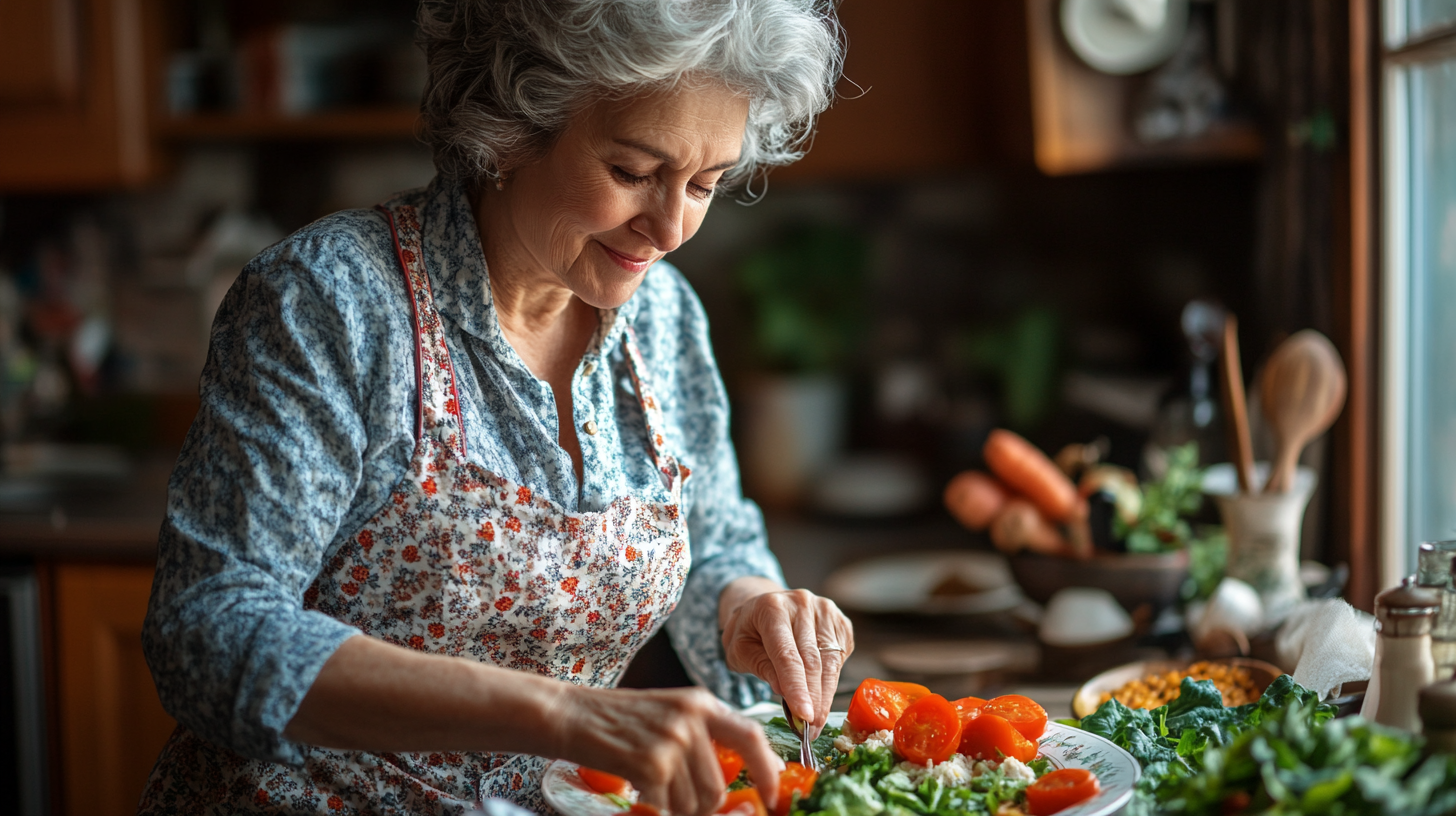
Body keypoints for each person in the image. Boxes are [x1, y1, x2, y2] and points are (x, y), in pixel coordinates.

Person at [138, 1, 850, 814]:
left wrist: (750, 603)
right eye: (633, 173)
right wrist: (565, 713)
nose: (670, 228)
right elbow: (210, 631)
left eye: (705, 185)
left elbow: (714, 536)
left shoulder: (663, 316)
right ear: (513, 125)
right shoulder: (329, 302)